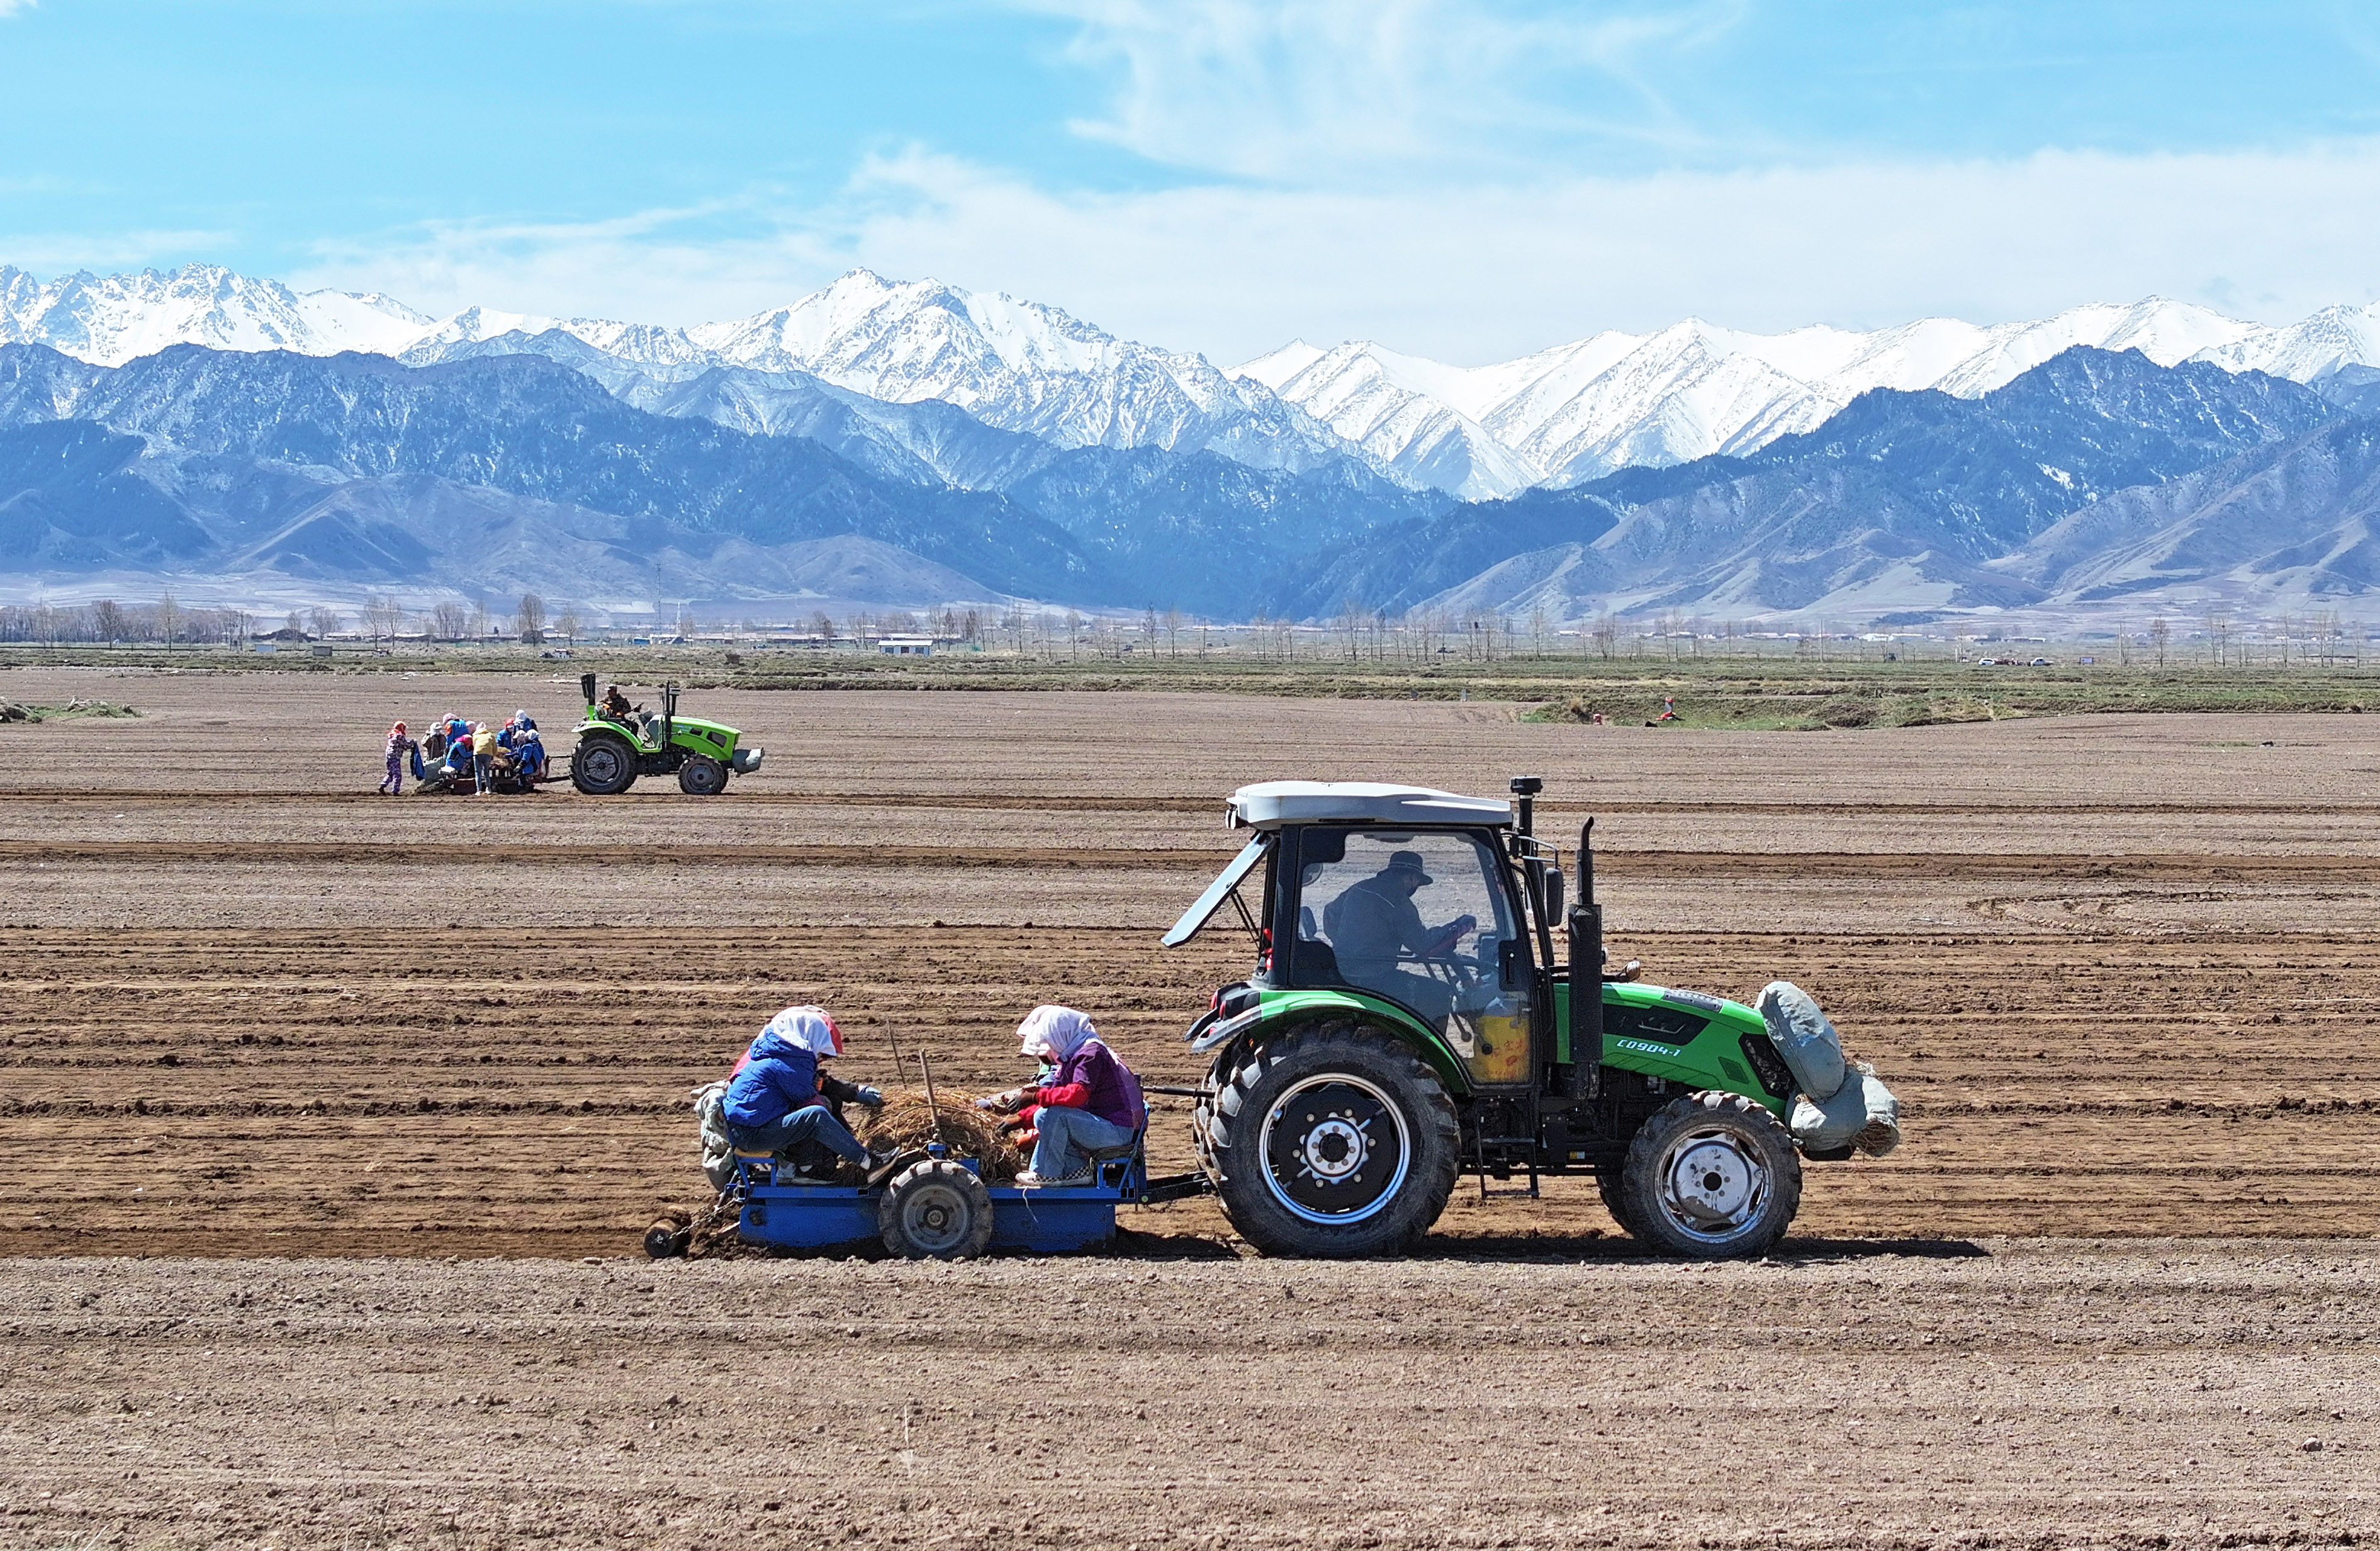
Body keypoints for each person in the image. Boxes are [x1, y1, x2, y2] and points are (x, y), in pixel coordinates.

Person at [719, 1006, 891, 1179]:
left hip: (751, 1126)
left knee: (823, 1107)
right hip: (751, 1133)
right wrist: (845, 1132)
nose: (820, 1057)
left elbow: (816, 1085)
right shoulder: (786, 1064)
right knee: (816, 1115)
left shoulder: (782, 1055)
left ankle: (832, 1159)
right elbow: (811, 1101)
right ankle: (865, 1163)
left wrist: (850, 1093)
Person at [995, 1006, 1145, 1188]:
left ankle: (1047, 1174)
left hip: (1116, 1132)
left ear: (1061, 1034)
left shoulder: (1091, 1053)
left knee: (1055, 1116)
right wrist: (1020, 1119)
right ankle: (1077, 1170)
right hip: (1105, 1127)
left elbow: (1076, 1096)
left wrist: (1035, 1096)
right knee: (1043, 1115)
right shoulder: (1073, 1057)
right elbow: (1055, 1098)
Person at [1321, 850, 1474, 1027]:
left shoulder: (1359, 888)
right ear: (1411, 878)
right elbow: (1423, 945)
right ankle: (1425, 1050)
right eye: (1417, 881)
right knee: (1439, 993)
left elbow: (1330, 916)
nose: (1416, 886)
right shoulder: (1398, 900)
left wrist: (1350, 944)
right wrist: (1454, 928)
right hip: (1372, 978)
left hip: (1343, 971)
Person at [379, 721, 417, 795]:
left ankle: (383, 785)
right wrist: (413, 742)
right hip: (395, 756)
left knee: (390, 772)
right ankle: (395, 791)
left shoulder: (392, 734)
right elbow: (406, 745)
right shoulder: (399, 736)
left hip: (389, 755)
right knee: (397, 774)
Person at [471, 721, 497, 795]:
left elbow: (474, 746)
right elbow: (495, 747)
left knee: (478, 772)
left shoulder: (475, 735)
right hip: (488, 754)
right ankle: (488, 789)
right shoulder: (491, 735)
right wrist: (493, 755)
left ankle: (479, 790)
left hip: (477, 753)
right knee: (487, 772)